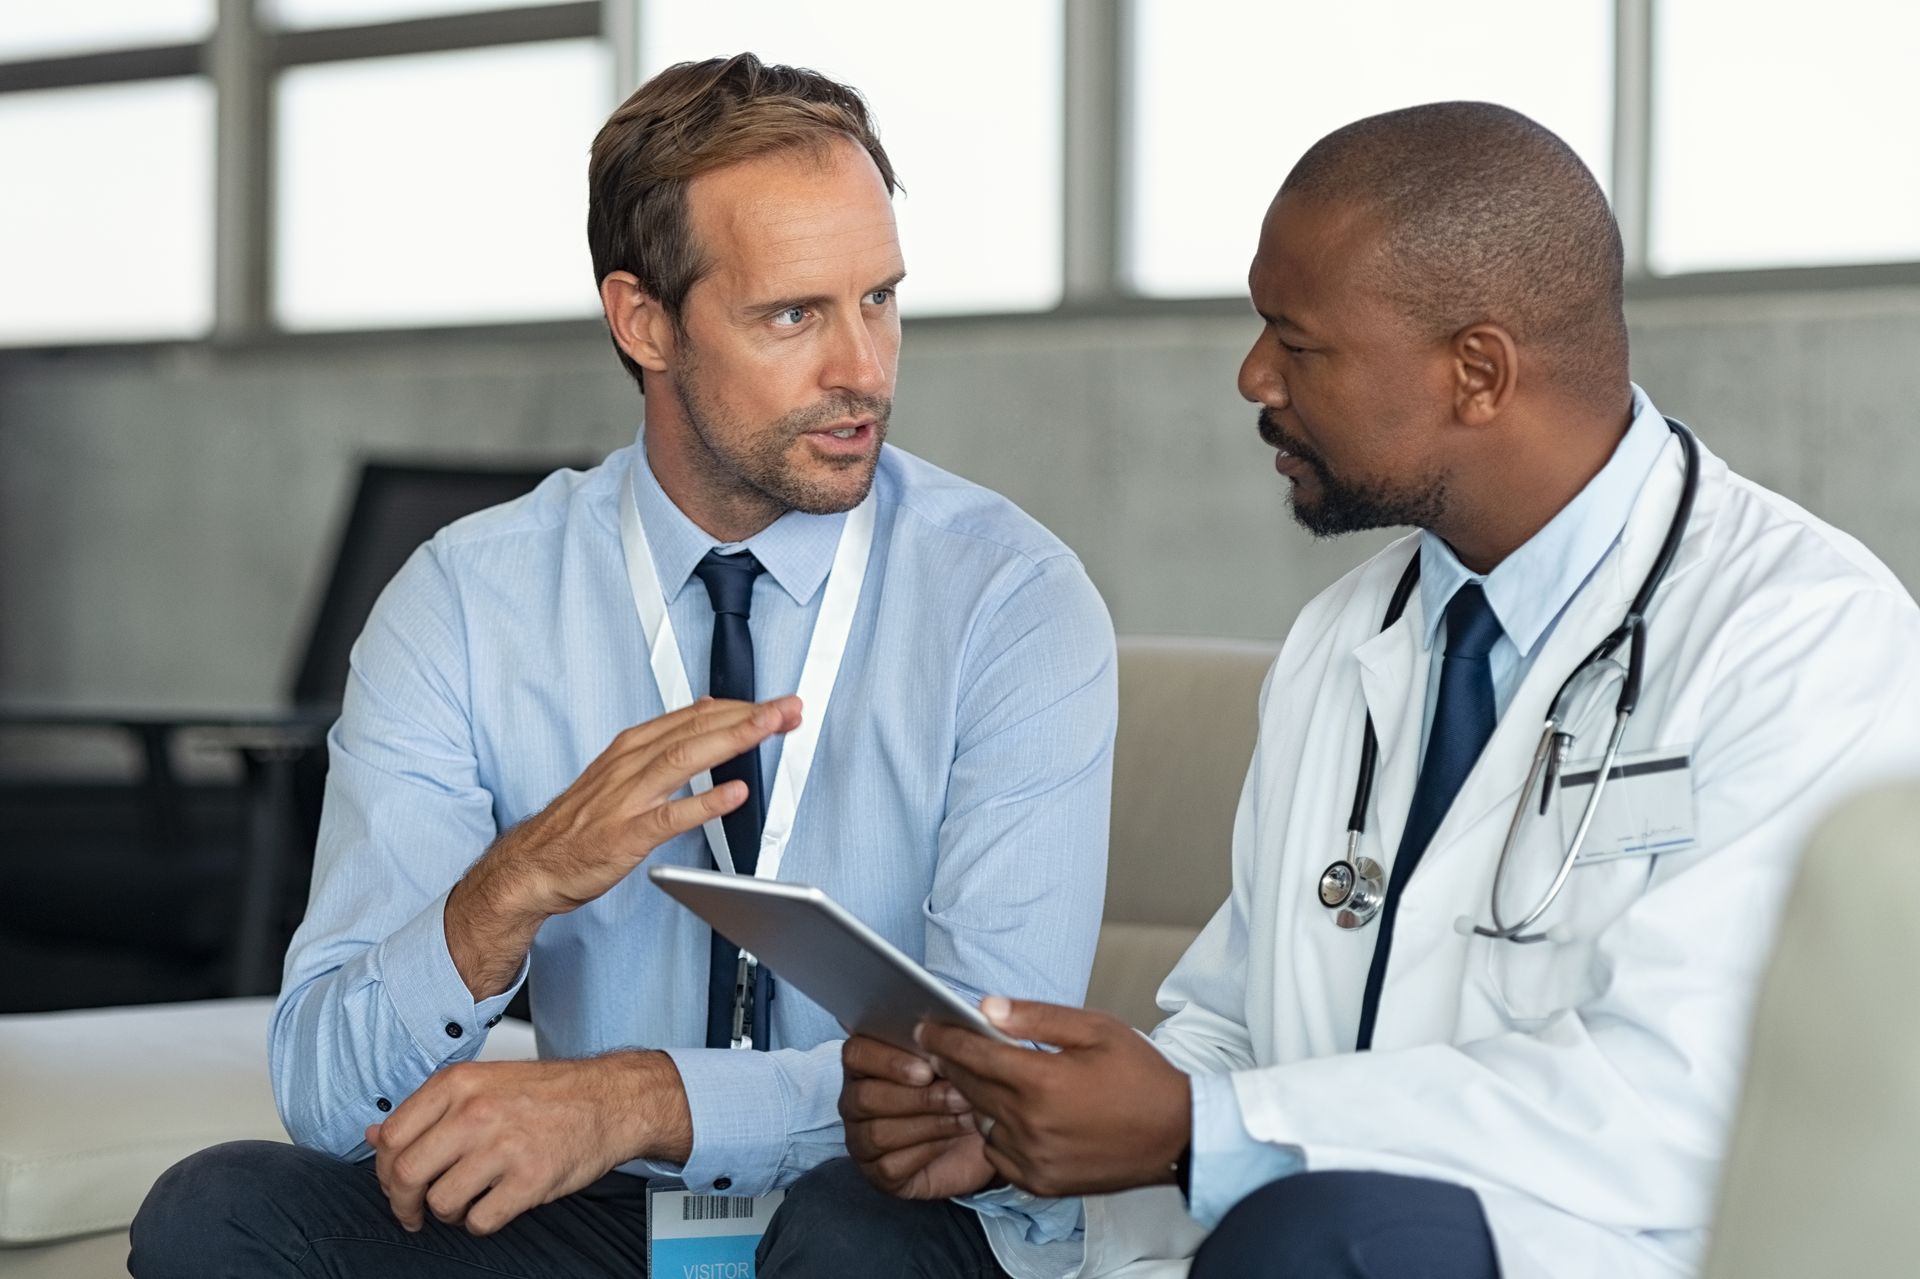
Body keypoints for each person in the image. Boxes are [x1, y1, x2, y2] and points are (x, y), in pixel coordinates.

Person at [786, 102, 1920, 1279]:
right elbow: (1237, 1029)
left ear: (1476, 372)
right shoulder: (1346, 639)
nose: (1253, 374)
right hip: (1292, 1238)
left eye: (1298, 340)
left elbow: (1682, 1108)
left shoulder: (1801, 642)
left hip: (1586, 1251)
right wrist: (1038, 1120)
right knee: (854, 1228)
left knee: (1325, 1242)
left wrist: (1197, 1131)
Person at [129, 53, 1116, 1277]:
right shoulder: (468, 598)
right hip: (617, 1219)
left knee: (850, 1238)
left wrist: (638, 1099)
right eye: (794, 315)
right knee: (220, 1211)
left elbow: (983, 1083)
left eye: (881, 298)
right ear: (643, 321)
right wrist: (511, 888)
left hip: (888, 1208)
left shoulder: (1010, 600)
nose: (864, 368)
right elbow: (327, 1094)